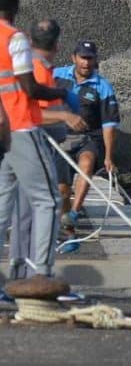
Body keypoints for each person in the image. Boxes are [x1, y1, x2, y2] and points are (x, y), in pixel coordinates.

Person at [0, 0, 74, 279]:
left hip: (2, 131)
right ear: (15, 3)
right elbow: (29, 88)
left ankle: (13, 276)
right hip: (22, 126)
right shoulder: (14, 38)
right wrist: (61, 94)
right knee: (48, 200)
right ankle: (40, 274)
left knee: (3, 207)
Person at [8, 19, 87, 269]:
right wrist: (65, 115)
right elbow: (34, 114)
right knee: (46, 203)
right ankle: (39, 270)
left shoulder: (37, 66)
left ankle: (20, 268)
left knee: (23, 209)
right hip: (34, 143)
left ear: (32, 41)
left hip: (31, 142)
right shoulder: (37, 71)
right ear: (57, 44)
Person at [54, 40, 120, 234]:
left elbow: (109, 125)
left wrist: (108, 157)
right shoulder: (56, 76)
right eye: (83, 58)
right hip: (60, 139)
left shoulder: (103, 87)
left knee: (87, 162)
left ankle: (74, 213)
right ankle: (68, 224)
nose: (86, 63)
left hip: (88, 138)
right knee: (63, 191)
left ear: (95, 60)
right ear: (73, 58)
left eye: (90, 59)